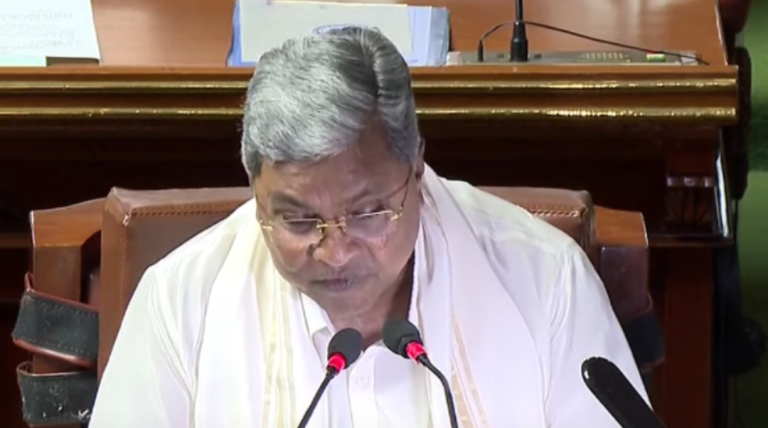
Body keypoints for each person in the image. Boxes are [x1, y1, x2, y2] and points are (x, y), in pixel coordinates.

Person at [89, 26, 647, 428]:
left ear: (417, 166)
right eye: (298, 219)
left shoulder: (544, 282)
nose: (335, 252)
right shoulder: (181, 302)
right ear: (254, 190)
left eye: (367, 213)